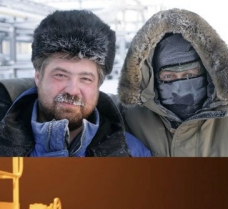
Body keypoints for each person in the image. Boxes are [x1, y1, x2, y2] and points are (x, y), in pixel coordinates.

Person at [0, 10, 151, 157]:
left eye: (85, 79)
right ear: (38, 77)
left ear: (98, 85)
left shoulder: (132, 154)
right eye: (60, 75)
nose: (72, 90)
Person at [117, 8, 228, 156]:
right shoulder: (125, 119)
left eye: (189, 75)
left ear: (207, 74)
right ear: (153, 78)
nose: (180, 87)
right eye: (168, 76)